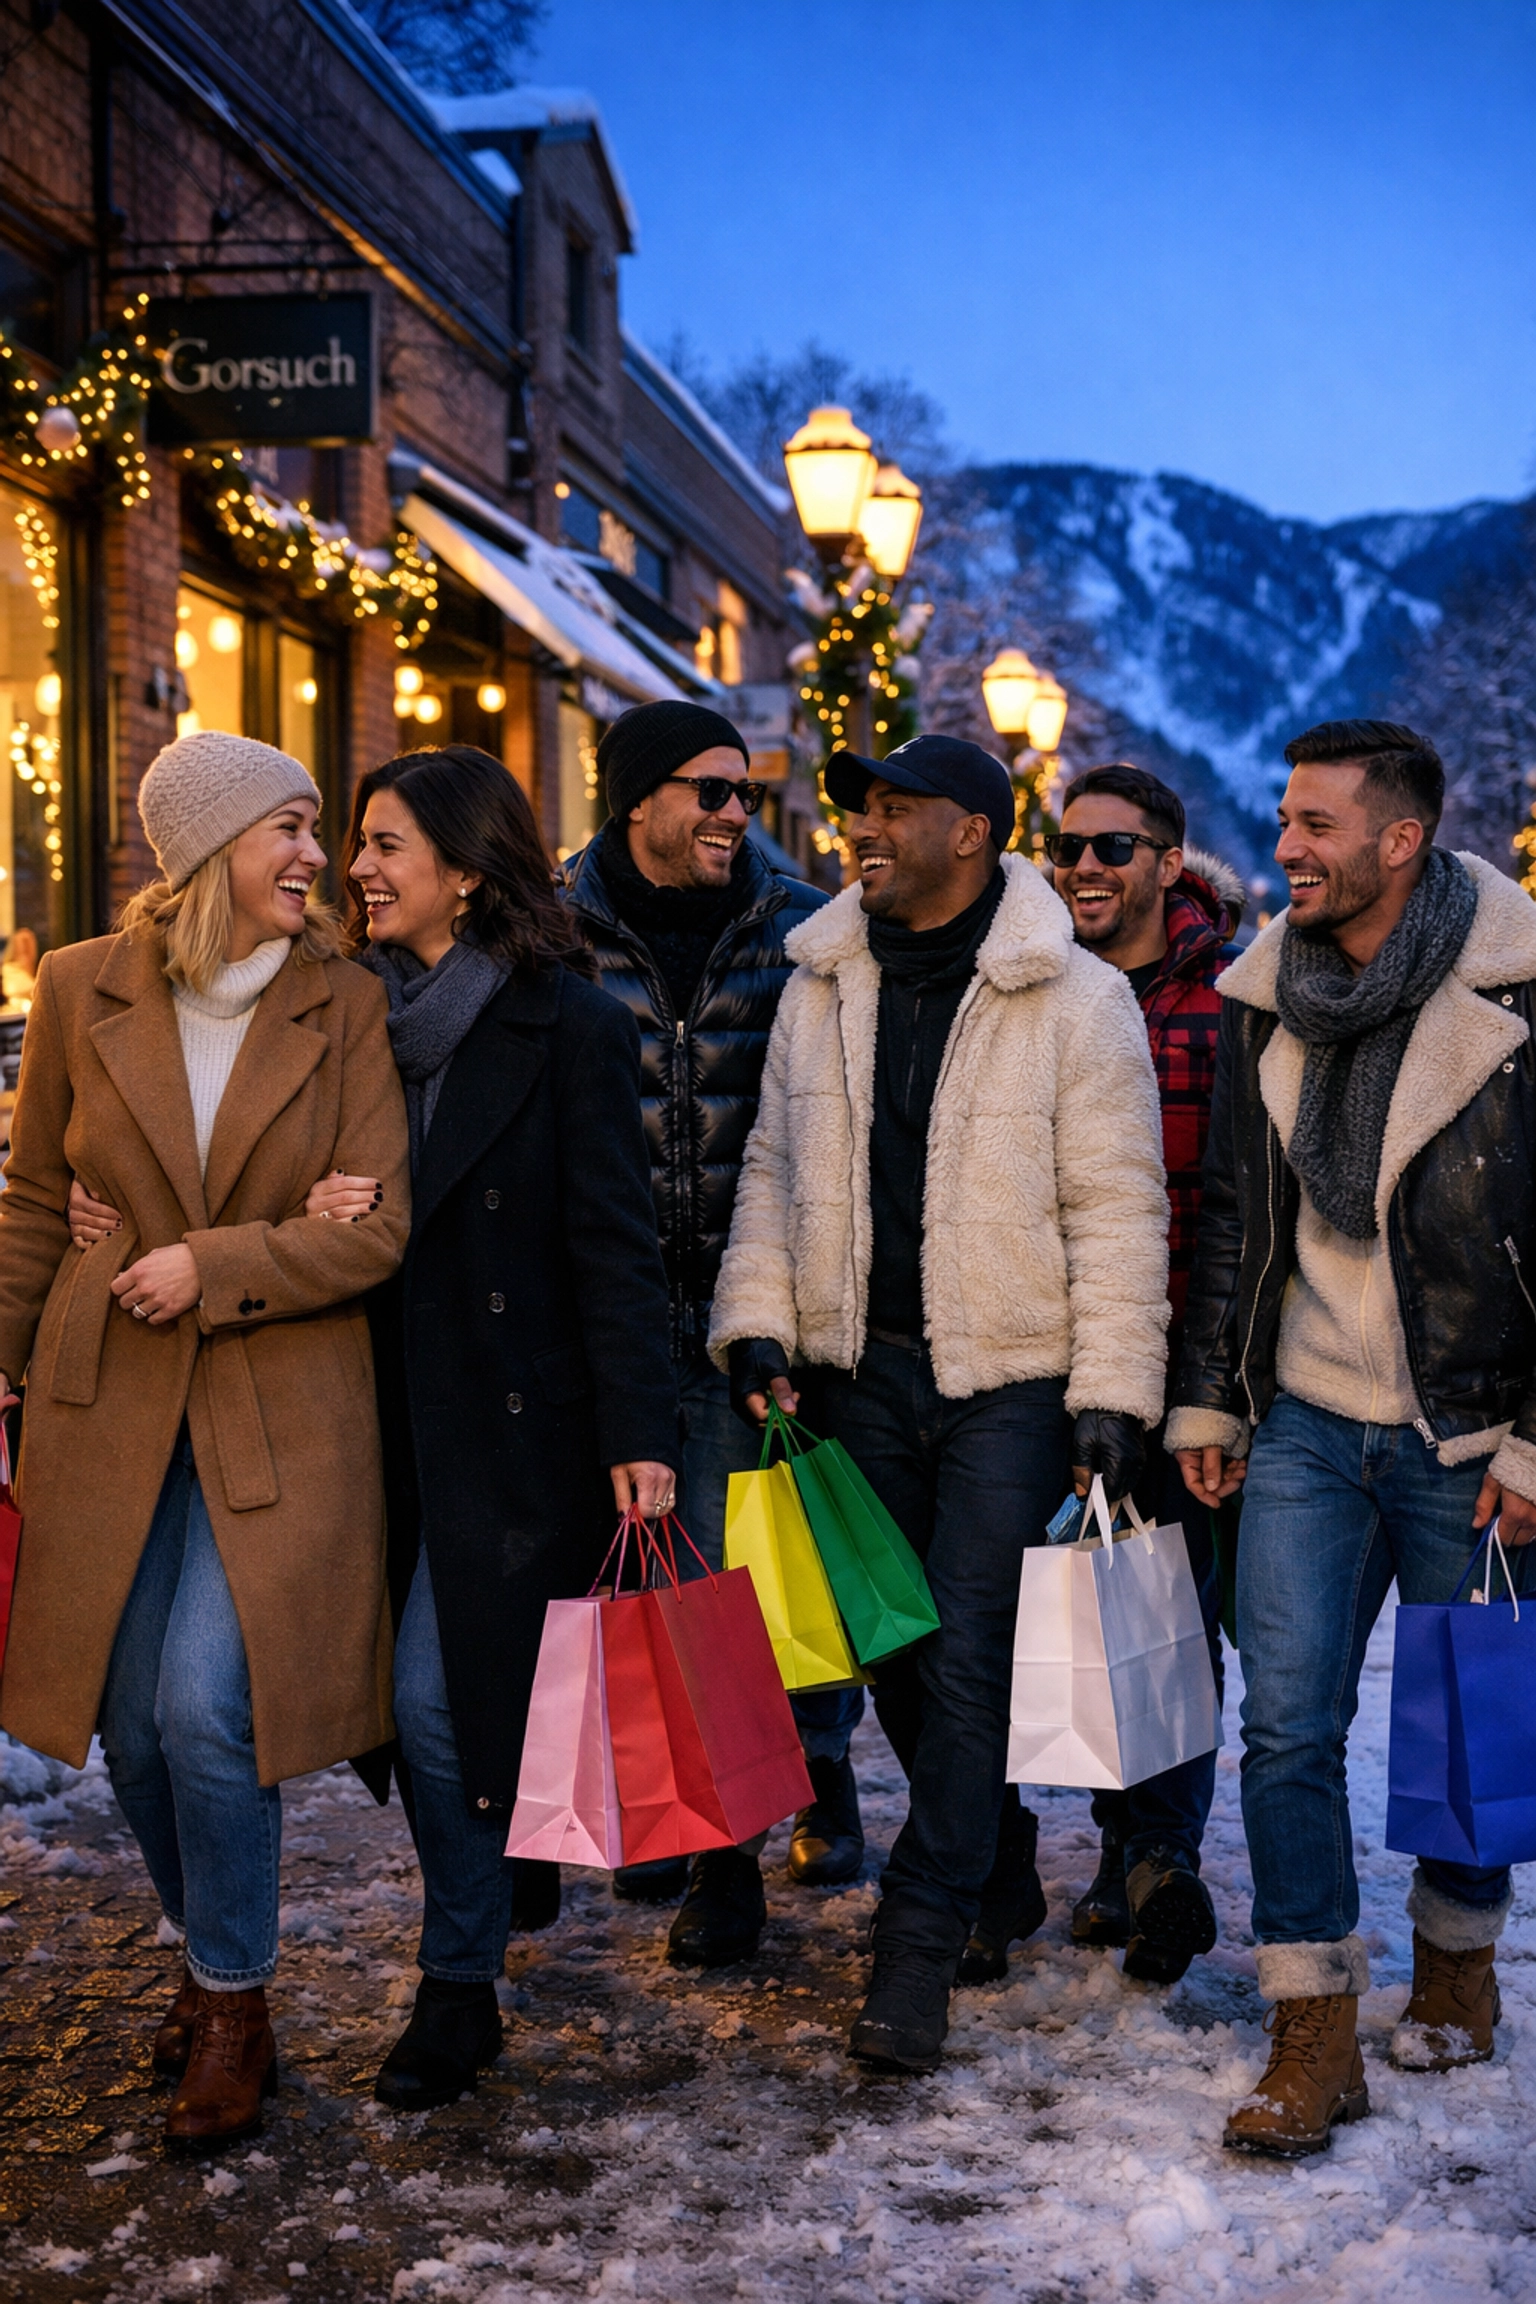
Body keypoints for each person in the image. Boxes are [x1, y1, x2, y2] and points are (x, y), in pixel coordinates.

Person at [710, 732, 1171, 2071]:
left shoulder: (1074, 999)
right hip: (858, 1368)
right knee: (892, 1644)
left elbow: (1120, 1211)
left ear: (970, 830)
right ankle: (997, 1852)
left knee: (968, 1653)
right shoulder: (822, 984)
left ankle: (917, 1942)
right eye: (861, 808)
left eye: (894, 808)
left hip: (1010, 1379)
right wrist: (757, 1322)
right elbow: (775, 1172)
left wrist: (1111, 1398)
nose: (863, 827)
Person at [3, 730, 409, 2149]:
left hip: (275, 1405)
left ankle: (234, 1998)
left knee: (202, 1707)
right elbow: (37, 1209)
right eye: (287, 830)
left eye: (318, 828)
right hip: (102, 1395)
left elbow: (379, 1235)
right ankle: (205, 1951)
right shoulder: (75, 988)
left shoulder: (343, 1005)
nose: (317, 856)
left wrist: (208, 1260)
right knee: (125, 1723)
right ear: (201, 852)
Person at [1168, 719, 1536, 2157]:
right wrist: (1211, 1392)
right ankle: (1312, 2029)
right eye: (1282, 820)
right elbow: (1234, 1227)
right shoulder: (1266, 995)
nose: (1284, 849)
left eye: (1316, 825)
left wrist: (1530, 1448)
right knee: (1286, 1727)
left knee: (1464, 1715)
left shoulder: (1518, 989)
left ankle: (1456, 1961)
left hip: (1468, 1426)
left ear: (1400, 840)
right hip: (1310, 1420)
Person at [313, 744, 679, 2110]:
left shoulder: (567, 1025)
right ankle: (503, 1854)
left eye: (387, 845)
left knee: (435, 1698)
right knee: (428, 1715)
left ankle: (456, 1990)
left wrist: (640, 1429)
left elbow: (614, 1246)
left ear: (466, 873)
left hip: (512, 1424)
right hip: (367, 1420)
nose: (359, 869)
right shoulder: (338, 1017)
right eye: (356, 842)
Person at [559, 699, 860, 1970]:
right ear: (637, 800)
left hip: (760, 1307)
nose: (738, 812)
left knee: (776, 1574)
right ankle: (716, 1841)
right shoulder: (558, 935)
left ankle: (814, 1779)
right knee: (681, 1586)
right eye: (711, 791)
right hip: (616, 1310)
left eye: (745, 792)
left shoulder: (795, 929)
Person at [1047, 761, 1243, 1985]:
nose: (1084, 869)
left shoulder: (1228, 998)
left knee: (1168, 1611)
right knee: (1080, 1600)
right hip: (1053, 1352)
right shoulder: (1040, 984)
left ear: (1169, 864)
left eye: (1112, 850)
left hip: (1183, 1356)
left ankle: (1154, 1856)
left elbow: (1239, 1208)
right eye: (1066, 847)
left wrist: (1215, 1383)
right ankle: (1123, 1844)